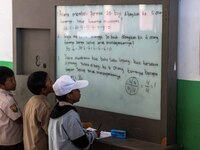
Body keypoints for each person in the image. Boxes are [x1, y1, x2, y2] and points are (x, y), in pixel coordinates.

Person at [48, 75, 100, 150]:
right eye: (77, 89)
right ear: (69, 95)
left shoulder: (57, 109)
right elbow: (82, 142)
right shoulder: (69, 116)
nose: (79, 91)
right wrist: (94, 134)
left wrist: (84, 131)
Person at [23, 71, 53, 150]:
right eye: (49, 81)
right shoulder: (44, 105)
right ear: (43, 89)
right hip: (38, 146)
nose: (52, 82)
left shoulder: (31, 101)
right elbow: (49, 130)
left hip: (28, 144)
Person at [0, 66, 24, 150]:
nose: (14, 82)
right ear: (1, 84)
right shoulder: (7, 100)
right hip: (12, 142)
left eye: (14, 79)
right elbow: (18, 119)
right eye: (11, 80)